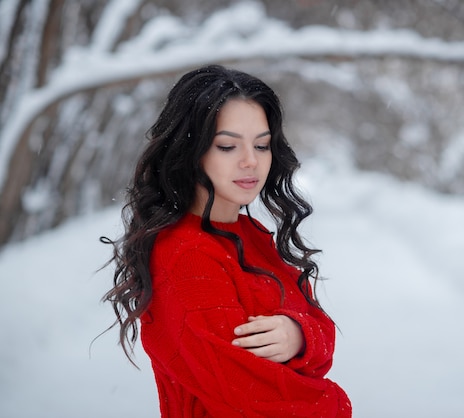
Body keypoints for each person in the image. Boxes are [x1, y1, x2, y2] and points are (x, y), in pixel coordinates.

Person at [101, 64, 352, 417]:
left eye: (262, 145)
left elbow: (323, 330)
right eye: (227, 146)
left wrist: (299, 335)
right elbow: (248, 394)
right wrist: (336, 405)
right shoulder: (185, 255)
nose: (251, 161)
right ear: (191, 150)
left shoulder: (252, 236)